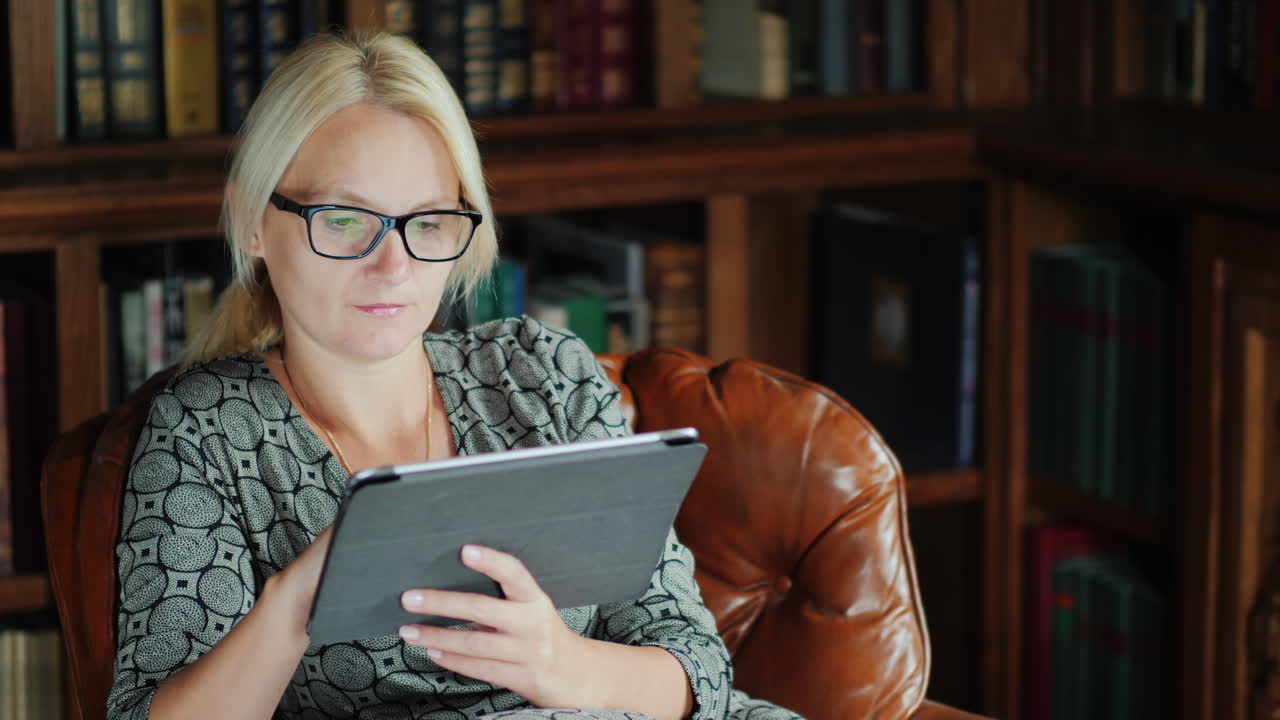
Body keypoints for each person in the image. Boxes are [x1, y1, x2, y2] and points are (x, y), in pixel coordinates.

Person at [107, 31, 802, 720]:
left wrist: (564, 666)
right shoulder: (205, 431)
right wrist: (296, 598)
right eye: (345, 220)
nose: (394, 265)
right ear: (251, 221)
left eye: (429, 222)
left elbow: (699, 673)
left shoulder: (543, 375)